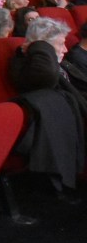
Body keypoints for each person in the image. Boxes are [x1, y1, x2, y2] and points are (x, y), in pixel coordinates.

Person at [9, 17, 87, 192]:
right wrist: (41, 46)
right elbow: (47, 78)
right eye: (60, 44)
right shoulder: (29, 61)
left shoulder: (54, 61)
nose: (65, 49)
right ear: (45, 45)